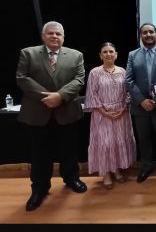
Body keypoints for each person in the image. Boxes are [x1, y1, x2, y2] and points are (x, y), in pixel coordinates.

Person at [16, 21, 87, 212]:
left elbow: (79, 79)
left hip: (67, 112)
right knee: (39, 154)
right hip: (38, 113)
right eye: (51, 33)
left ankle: (71, 178)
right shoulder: (28, 53)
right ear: (43, 36)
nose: (55, 36)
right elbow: (22, 78)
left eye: (58, 34)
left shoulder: (76, 55)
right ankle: (39, 189)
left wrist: (60, 96)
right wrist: (48, 97)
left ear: (63, 37)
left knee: (69, 150)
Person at [126, 23, 156, 184]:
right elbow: (128, 80)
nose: (148, 34)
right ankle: (146, 166)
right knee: (144, 139)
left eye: (151, 32)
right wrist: (141, 100)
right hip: (140, 108)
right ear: (141, 36)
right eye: (145, 32)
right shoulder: (133, 55)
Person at [84, 42, 136, 189]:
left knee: (118, 141)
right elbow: (92, 95)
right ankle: (106, 172)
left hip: (121, 114)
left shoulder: (123, 71)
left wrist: (124, 107)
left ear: (116, 54)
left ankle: (117, 169)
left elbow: (128, 93)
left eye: (111, 51)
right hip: (102, 114)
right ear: (100, 56)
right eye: (105, 52)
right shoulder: (95, 72)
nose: (108, 54)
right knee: (105, 144)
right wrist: (104, 112)